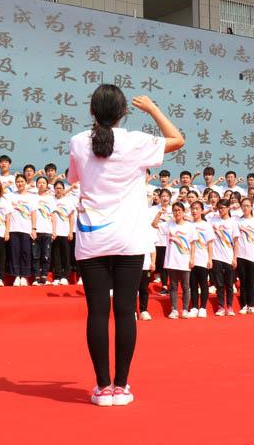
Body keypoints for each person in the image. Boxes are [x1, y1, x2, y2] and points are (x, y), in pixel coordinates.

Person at [67, 85, 183, 407]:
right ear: (124, 112)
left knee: (98, 313)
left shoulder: (78, 142)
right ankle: (122, 386)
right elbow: (178, 139)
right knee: (125, 312)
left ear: (92, 112)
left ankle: (103, 387)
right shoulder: (136, 142)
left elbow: (73, 178)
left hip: (92, 238)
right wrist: (154, 109)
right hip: (129, 238)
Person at [156, 201, 196, 319]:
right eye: (175, 210)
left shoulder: (190, 226)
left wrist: (192, 259)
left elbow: (193, 244)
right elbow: (154, 225)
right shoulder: (169, 224)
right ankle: (174, 309)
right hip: (172, 260)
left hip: (185, 260)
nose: (177, 212)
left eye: (179, 210)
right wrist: (159, 213)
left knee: (185, 286)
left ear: (183, 212)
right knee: (173, 286)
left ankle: (184, 309)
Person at [209, 199, 239, 316]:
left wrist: (235, 258)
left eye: (223, 207)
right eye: (219, 207)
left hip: (229, 257)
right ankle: (221, 306)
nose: (221, 210)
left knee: (229, 284)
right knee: (219, 284)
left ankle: (230, 306)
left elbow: (236, 242)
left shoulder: (233, 222)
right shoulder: (213, 221)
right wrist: (210, 209)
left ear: (228, 208)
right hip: (216, 257)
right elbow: (198, 218)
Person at [235, 198, 254, 314]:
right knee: (242, 282)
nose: (245, 208)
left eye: (248, 205)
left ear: (251, 206)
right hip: (241, 255)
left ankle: (252, 305)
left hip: (252, 256)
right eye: (243, 206)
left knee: (251, 281)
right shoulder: (237, 222)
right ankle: (244, 305)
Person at [7, 175, 37, 287]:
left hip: (26, 229)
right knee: (14, 253)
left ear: (26, 182)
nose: (20, 183)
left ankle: (24, 276)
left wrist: (34, 229)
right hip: (13, 229)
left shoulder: (31, 197)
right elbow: (8, 214)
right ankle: (16, 276)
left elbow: (34, 213)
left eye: (22, 181)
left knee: (25, 253)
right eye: (18, 181)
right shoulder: (10, 196)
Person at [189, 201, 214, 318]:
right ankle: (194, 307)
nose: (194, 211)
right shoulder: (188, 225)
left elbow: (210, 244)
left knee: (203, 284)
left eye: (197, 208)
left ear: (202, 210)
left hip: (203, 259)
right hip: (190, 260)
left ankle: (203, 307)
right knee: (193, 284)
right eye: (192, 209)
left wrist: (210, 258)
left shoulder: (206, 225)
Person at [32, 176, 57, 286]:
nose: (41, 184)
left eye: (43, 183)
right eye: (39, 182)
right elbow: (31, 214)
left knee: (46, 255)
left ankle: (44, 277)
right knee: (35, 255)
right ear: (36, 184)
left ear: (47, 185)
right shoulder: (32, 198)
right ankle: (36, 277)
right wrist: (33, 229)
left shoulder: (51, 199)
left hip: (47, 231)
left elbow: (53, 216)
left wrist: (54, 231)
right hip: (36, 231)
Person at [51, 180, 76, 285]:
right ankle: (57, 276)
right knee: (55, 255)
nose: (59, 190)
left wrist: (70, 231)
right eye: (57, 188)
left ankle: (65, 277)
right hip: (54, 233)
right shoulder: (51, 200)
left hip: (65, 232)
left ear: (63, 190)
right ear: (54, 189)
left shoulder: (68, 201)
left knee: (66, 255)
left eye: (60, 188)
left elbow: (71, 217)